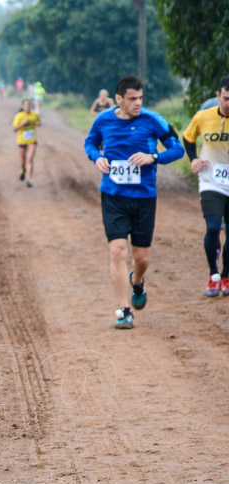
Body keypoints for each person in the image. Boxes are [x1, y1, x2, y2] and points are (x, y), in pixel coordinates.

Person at [84, 75, 184, 329]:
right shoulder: (103, 119)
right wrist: (96, 157)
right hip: (113, 196)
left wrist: (153, 157)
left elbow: (177, 148)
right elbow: (90, 143)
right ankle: (123, 310)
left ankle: (137, 281)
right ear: (119, 99)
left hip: (143, 198)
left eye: (140, 98)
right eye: (132, 99)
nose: (138, 103)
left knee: (141, 259)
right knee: (117, 251)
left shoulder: (153, 120)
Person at [182, 76, 229, 297]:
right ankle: (213, 275)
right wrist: (193, 159)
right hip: (211, 182)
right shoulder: (203, 117)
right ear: (218, 96)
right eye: (226, 99)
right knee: (212, 228)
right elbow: (188, 137)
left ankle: (227, 275)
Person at [13, 99, 41, 187]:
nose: (27, 106)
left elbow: (39, 122)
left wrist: (37, 123)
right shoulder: (19, 115)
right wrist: (23, 123)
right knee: (23, 161)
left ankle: (29, 179)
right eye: (25, 104)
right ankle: (23, 170)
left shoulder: (35, 114)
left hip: (32, 141)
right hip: (22, 141)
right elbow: (14, 129)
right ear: (22, 106)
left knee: (30, 159)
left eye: (29, 104)